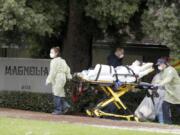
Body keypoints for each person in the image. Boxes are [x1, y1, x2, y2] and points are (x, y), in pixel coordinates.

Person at [46, 47, 72, 115]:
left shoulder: (53, 61)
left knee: (56, 93)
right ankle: (65, 106)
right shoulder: (63, 60)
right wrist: (69, 76)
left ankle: (58, 109)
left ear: (56, 53)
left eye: (52, 52)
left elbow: (53, 72)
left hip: (58, 78)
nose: (50, 54)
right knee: (60, 93)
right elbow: (67, 69)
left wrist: (48, 80)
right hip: (63, 78)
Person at [155, 57, 180, 124]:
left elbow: (168, 79)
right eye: (158, 65)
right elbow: (163, 80)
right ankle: (168, 123)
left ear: (164, 64)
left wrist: (160, 84)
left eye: (160, 64)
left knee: (178, 107)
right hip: (169, 92)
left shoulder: (170, 70)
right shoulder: (163, 71)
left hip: (177, 91)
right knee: (164, 105)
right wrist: (157, 83)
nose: (159, 66)